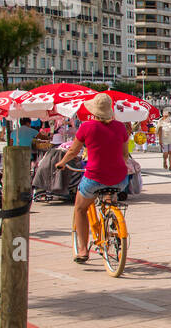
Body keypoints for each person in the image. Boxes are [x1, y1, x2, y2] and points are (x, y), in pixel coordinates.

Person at [55, 93, 130, 263]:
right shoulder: (120, 127)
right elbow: (125, 155)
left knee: (80, 209)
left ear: (94, 111)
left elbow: (73, 152)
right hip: (120, 178)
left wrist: (61, 163)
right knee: (109, 196)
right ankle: (112, 225)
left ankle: (82, 249)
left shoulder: (86, 127)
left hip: (94, 177)